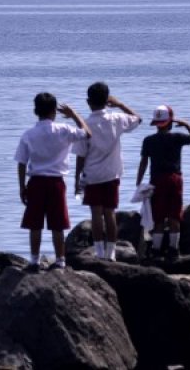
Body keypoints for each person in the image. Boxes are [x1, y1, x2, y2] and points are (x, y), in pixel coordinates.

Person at [15, 92, 91, 271]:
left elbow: (21, 163)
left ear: (36, 111)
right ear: (54, 111)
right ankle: (60, 261)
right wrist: (74, 115)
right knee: (58, 224)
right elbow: (87, 134)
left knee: (35, 224)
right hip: (56, 183)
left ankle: (34, 261)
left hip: (36, 182)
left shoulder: (29, 134)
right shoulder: (63, 129)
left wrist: (21, 187)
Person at [73, 82, 142, 261]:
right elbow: (138, 119)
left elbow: (80, 156)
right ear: (107, 100)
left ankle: (99, 251)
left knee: (96, 214)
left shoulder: (85, 125)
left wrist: (76, 180)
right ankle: (111, 253)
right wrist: (119, 104)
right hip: (112, 173)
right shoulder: (116, 119)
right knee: (110, 213)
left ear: (88, 102)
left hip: (92, 175)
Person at [136, 105, 190, 261]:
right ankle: (173, 249)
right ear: (170, 122)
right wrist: (186, 124)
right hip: (174, 179)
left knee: (158, 216)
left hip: (156, 180)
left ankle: (156, 250)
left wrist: (138, 181)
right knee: (174, 215)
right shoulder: (177, 137)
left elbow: (144, 162)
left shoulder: (149, 140)